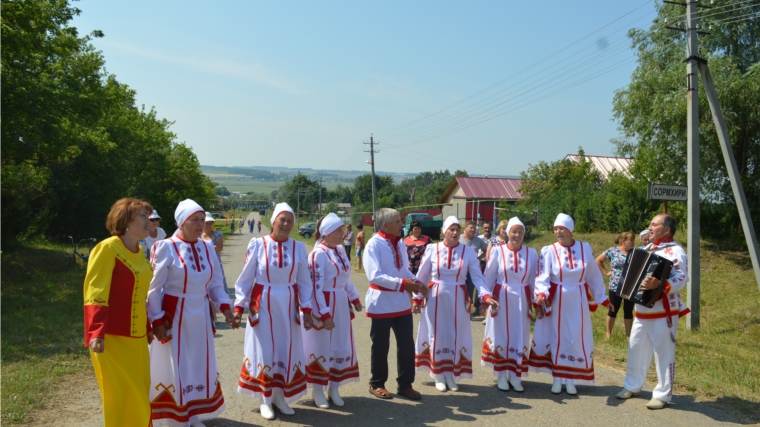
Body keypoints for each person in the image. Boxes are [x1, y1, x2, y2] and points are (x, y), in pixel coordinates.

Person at [147, 199, 239, 427]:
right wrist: (156, 320)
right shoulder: (166, 247)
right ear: (182, 222)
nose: (200, 225)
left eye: (201, 220)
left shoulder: (206, 247)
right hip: (174, 315)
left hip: (200, 314)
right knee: (176, 363)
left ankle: (192, 413)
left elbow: (216, 284)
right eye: (194, 220)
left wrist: (226, 308)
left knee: (197, 362)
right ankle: (174, 418)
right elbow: (155, 289)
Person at [233, 203, 316, 420]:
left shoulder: (298, 247)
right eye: (283, 219)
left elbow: (305, 281)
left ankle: (280, 396)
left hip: (288, 303)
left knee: (285, 349)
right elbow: (245, 278)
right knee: (265, 349)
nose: (287, 224)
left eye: (290, 220)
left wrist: (306, 308)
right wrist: (239, 305)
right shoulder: (258, 245)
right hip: (263, 303)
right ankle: (264, 397)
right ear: (273, 221)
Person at [84, 198, 154, 426]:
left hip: (137, 339)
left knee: (140, 391)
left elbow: (140, 294)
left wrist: (147, 327)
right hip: (113, 337)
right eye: (143, 216)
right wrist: (96, 332)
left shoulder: (139, 250)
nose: (149, 220)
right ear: (126, 220)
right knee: (121, 395)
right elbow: (96, 292)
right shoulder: (107, 249)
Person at [617, 214, 690, 410]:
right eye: (650, 224)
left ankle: (662, 394)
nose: (650, 227)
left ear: (666, 229)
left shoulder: (676, 252)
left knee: (663, 353)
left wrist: (661, 283)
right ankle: (632, 385)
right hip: (641, 309)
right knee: (636, 348)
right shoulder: (646, 248)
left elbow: (682, 278)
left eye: (654, 224)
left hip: (663, 310)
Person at [531, 213, 609, 395]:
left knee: (575, 335)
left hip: (578, 299)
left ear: (570, 230)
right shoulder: (548, 250)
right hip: (558, 298)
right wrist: (541, 293)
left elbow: (593, 275)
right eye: (556, 229)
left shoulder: (584, 248)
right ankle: (558, 378)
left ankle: (571, 378)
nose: (558, 232)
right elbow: (543, 275)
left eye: (562, 228)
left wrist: (602, 297)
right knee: (558, 335)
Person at [413, 216, 484, 392]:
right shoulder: (433, 249)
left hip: (459, 298)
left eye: (457, 229)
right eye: (451, 229)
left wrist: (485, 296)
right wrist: (416, 297)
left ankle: (451, 374)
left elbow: (478, 278)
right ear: (444, 231)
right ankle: (438, 373)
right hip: (436, 297)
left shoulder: (468, 252)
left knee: (455, 334)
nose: (455, 232)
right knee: (436, 333)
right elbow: (422, 275)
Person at [364, 208, 429, 400]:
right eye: (397, 221)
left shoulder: (399, 243)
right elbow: (374, 276)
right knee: (381, 346)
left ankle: (405, 384)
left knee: (407, 345)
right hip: (381, 302)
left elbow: (403, 270)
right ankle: (376, 383)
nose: (402, 224)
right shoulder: (373, 244)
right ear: (385, 225)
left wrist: (416, 282)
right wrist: (404, 284)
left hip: (400, 303)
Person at [303, 213, 363, 409]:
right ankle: (318, 390)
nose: (343, 234)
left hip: (340, 304)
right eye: (339, 231)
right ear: (327, 233)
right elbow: (315, 286)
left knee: (339, 344)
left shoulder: (340, 250)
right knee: (321, 346)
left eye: (342, 230)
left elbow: (345, 278)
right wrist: (324, 313)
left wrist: (353, 297)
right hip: (324, 305)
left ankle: (334, 387)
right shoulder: (318, 254)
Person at [479, 217, 537, 392]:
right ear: (508, 233)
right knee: (501, 334)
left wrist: (538, 302)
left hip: (521, 298)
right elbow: (488, 276)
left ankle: (515, 375)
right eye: (514, 231)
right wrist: (485, 299)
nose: (517, 235)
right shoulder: (498, 251)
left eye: (520, 232)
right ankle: (501, 374)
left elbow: (534, 279)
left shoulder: (531, 253)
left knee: (519, 334)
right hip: (502, 297)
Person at [596, 232, 635, 339]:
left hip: (630, 286)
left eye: (633, 240)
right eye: (630, 240)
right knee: (613, 309)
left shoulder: (634, 253)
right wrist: (606, 272)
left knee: (628, 310)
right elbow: (598, 260)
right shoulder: (613, 251)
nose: (633, 243)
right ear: (623, 240)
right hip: (615, 285)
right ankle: (608, 333)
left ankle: (628, 335)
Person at [460, 220, 488, 318]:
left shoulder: (478, 240)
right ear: (465, 228)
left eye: (474, 228)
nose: (472, 230)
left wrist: (479, 258)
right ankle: (458, 310)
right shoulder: (459, 239)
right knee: (460, 290)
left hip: (471, 270)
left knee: (470, 290)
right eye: (470, 227)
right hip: (460, 269)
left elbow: (487, 249)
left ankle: (467, 311)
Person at [202, 212, 229, 297]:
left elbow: (219, 247)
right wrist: (211, 247)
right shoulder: (198, 236)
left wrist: (201, 248)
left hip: (215, 264)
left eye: (210, 223)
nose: (208, 225)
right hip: (202, 265)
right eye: (206, 223)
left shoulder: (218, 234)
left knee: (218, 282)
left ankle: (222, 303)